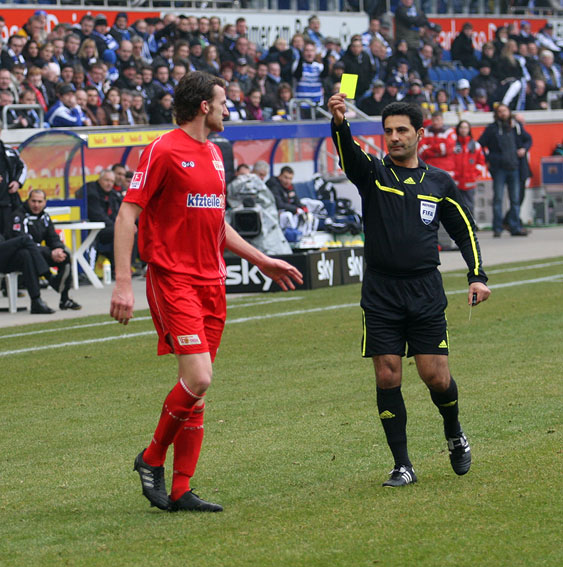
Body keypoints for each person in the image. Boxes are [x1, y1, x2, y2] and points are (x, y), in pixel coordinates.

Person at [109, 71, 302, 513]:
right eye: (223, 101)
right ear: (204, 106)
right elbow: (126, 216)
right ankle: (151, 458)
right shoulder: (162, 150)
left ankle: (181, 488)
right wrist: (122, 284)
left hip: (212, 281)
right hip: (173, 278)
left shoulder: (215, 153)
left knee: (195, 389)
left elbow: (217, 222)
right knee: (198, 378)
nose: (227, 108)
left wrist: (261, 259)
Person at [327, 94, 491, 487]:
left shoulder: (439, 182)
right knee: (387, 374)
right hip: (381, 292)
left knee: (435, 376)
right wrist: (339, 122)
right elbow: (348, 154)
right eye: (388, 131)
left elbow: (464, 229)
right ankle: (402, 465)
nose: (394, 137)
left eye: (402, 130)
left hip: (425, 291)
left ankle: (454, 432)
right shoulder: (373, 173)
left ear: (419, 134)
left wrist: (477, 275)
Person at [10, 190, 81, 311]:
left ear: (45, 202)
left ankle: (64, 299)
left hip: (39, 253)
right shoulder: (18, 216)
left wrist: (58, 249)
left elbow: (52, 237)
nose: (36, 205)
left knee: (65, 255)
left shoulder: (45, 217)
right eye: (33, 201)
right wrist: (48, 252)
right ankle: (38, 298)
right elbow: (22, 241)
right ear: (28, 201)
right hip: (20, 256)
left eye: (39, 202)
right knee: (28, 255)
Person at [478, 104, 531, 237]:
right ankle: (497, 228)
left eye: (505, 111)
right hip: (499, 169)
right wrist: (488, 159)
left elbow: (528, 139)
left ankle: (515, 226)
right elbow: (480, 144)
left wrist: (524, 149)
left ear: (509, 112)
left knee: (515, 199)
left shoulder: (516, 126)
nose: (503, 113)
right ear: (496, 114)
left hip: (515, 167)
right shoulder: (492, 128)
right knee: (498, 199)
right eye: (500, 111)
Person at [451, 120, 486, 217]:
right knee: (455, 207)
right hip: (455, 181)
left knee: (469, 206)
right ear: (458, 129)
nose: (463, 130)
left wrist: (475, 174)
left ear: (469, 130)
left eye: (465, 128)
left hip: (469, 181)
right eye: (461, 127)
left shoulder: (475, 145)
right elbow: (449, 161)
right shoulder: (452, 144)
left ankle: (471, 223)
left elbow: (481, 162)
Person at [0, 136, 27, 238]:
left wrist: (17, 182)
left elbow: (22, 167)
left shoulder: (9, 151)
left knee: (10, 236)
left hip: (8, 203)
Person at [418, 111, 456, 176]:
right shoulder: (425, 131)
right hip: (429, 169)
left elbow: (447, 149)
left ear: (442, 120)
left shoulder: (449, 132)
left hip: (446, 170)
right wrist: (438, 150)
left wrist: (429, 148)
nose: (435, 122)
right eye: (433, 120)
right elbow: (420, 149)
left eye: (437, 120)